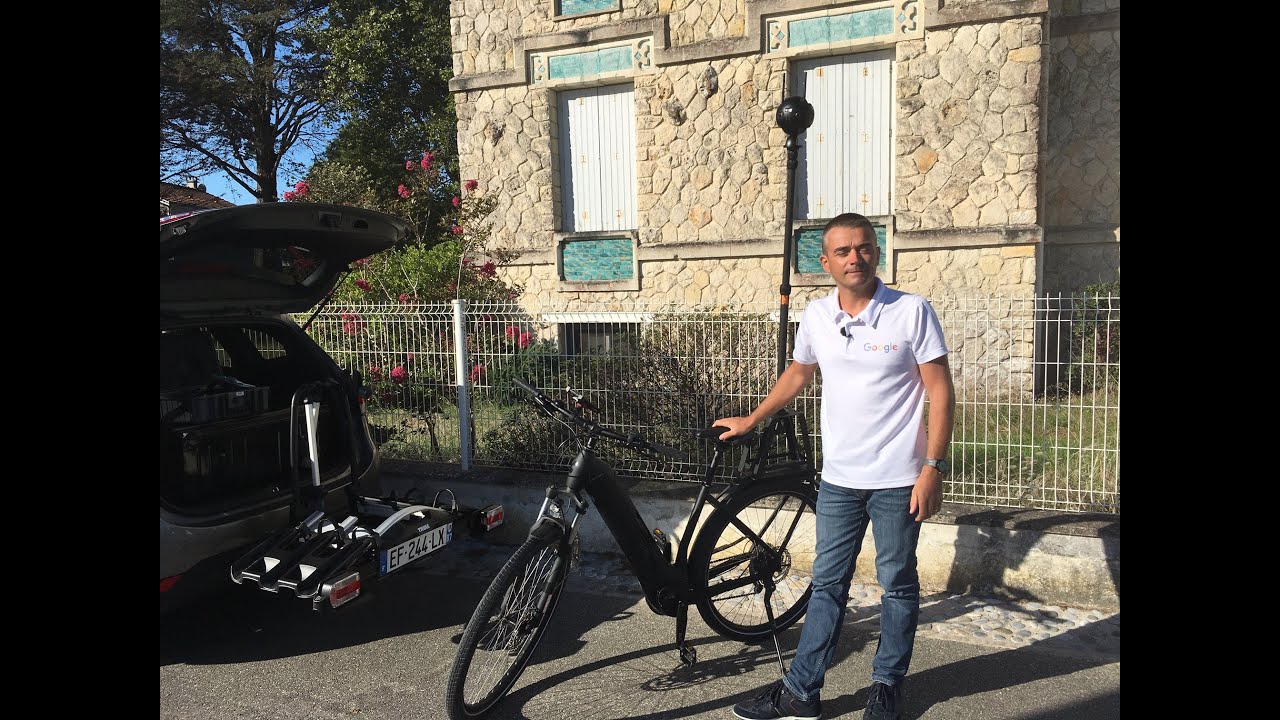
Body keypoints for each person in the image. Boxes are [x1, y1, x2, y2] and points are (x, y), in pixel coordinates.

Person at [717, 212, 955, 720]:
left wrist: (932, 467)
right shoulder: (817, 315)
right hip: (839, 481)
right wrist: (752, 418)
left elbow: (940, 390)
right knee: (826, 585)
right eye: (843, 251)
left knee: (898, 585)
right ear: (826, 262)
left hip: (899, 480)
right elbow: (799, 372)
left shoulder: (910, 311)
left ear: (877, 252)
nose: (855, 258)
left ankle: (886, 686)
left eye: (864, 247)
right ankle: (802, 693)